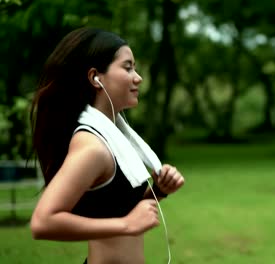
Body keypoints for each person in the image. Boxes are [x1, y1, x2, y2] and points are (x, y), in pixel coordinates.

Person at [29, 27, 184, 264]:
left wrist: (159, 191)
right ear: (95, 78)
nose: (138, 77)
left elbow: (117, 210)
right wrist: (127, 224)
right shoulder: (92, 147)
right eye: (128, 67)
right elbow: (43, 222)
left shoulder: (114, 139)